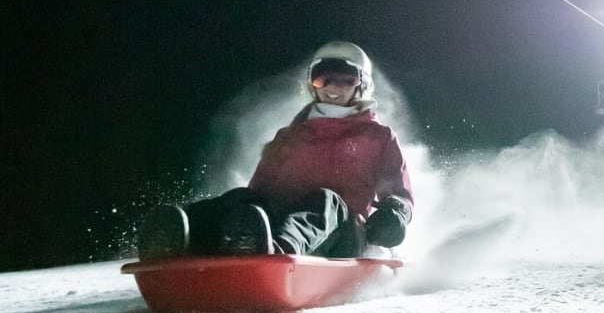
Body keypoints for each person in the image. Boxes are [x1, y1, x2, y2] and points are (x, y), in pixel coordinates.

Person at [138, 41, 414, 260]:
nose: (332, 87)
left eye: (345, 80)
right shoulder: (289, 135)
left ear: (361, 84)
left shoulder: (379, 136)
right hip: (277, 224)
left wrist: (395, 214)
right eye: (323, 79)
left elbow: (401, 193)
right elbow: (260, 189)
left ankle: (276, 250)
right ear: (311, 83)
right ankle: (178, 235)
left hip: (343, 234)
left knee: (325, 200)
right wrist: (246, 212)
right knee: (243, 196)